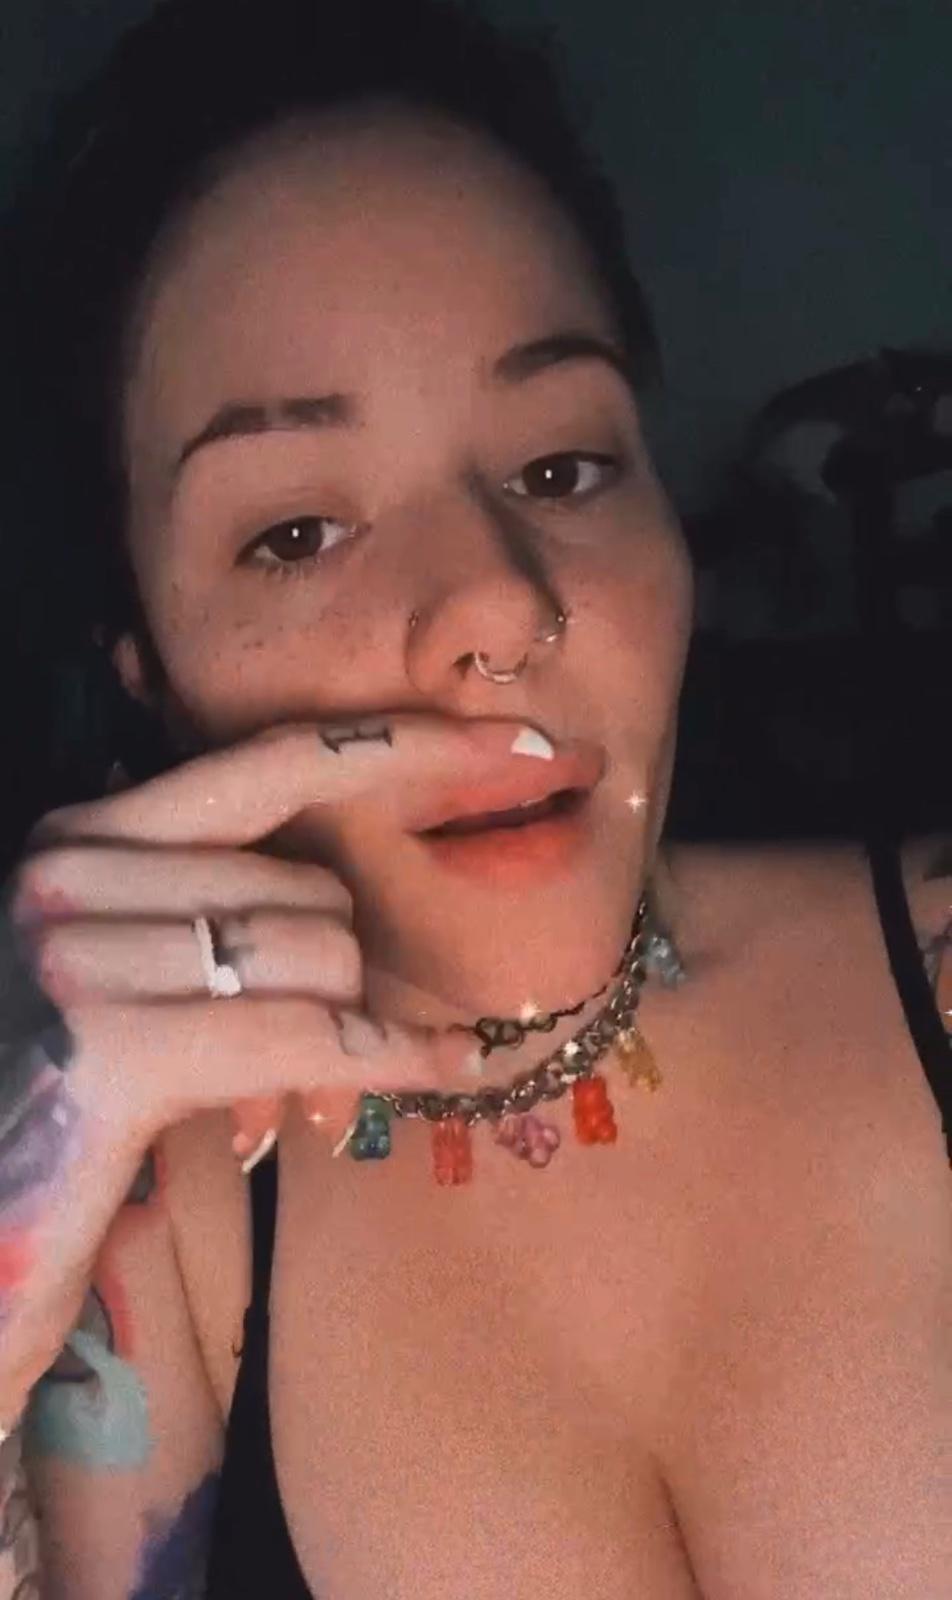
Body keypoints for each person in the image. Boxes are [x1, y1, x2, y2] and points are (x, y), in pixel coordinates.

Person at [0, 0, 949, 1595]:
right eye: (295, 534)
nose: (498, 606)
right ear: (150, 670)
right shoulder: (139, 1227)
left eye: (561, 470)